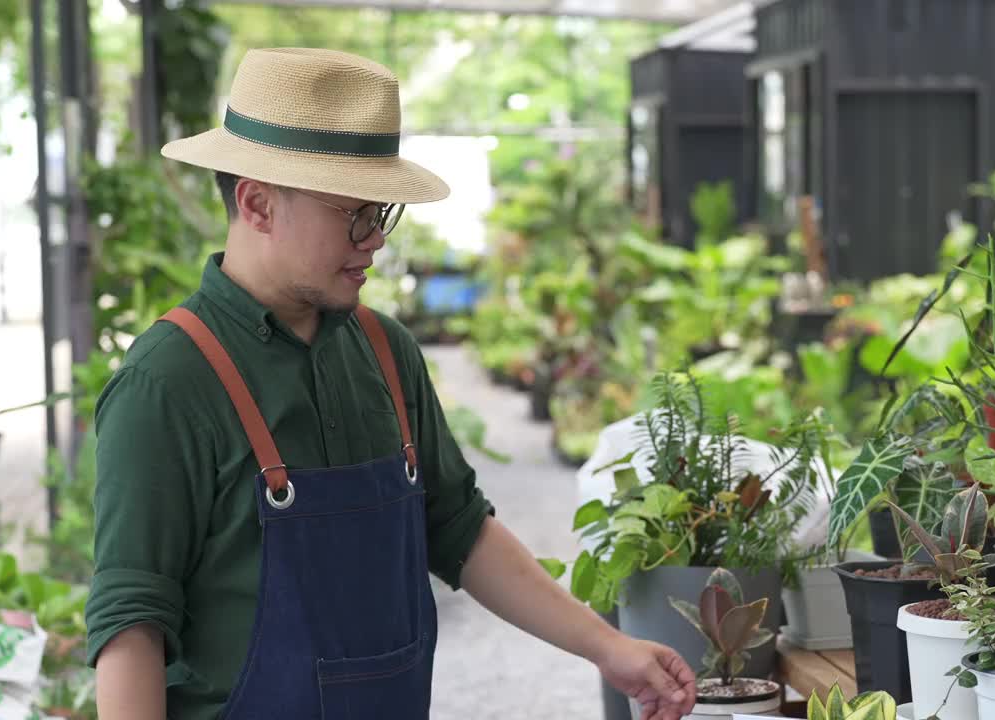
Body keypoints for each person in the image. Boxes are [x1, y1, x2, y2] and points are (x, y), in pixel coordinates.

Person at [86, 47, 697, 720]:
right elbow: (131, 626)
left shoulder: (386, 352)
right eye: (352, 213)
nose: (374, 239)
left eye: (381, 213)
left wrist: (608, 648)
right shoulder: (167, 382)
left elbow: (459, 528)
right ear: (258, 204)